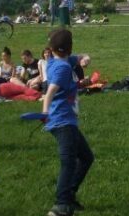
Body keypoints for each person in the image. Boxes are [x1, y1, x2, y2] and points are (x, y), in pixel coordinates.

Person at [42, 29, 95, 216]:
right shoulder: (63, 68)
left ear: (52, 48)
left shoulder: (54, 61)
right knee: (69, 163)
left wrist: (84, 59)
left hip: (65, 120)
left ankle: (69, 195)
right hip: (62, 121)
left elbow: (78, 58)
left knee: (86, 157)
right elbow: (51, 91)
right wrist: (45, 111)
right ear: (69, 47)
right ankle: (61, 205)